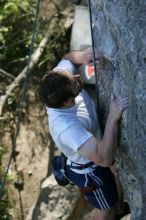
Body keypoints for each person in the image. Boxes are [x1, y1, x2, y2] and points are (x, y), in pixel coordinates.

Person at [39, 47, 128, 220]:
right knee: (105, 211)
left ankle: (119, 207)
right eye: (75, 84)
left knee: (114, 198)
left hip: (93, 145)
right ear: (67, 102)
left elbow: (69, 58)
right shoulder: (67, 128)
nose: (79, 77)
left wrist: (81, 56)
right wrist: (112, 118)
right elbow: (104, 159)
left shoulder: (58, 80)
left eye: (72, 76)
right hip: (89, 171)